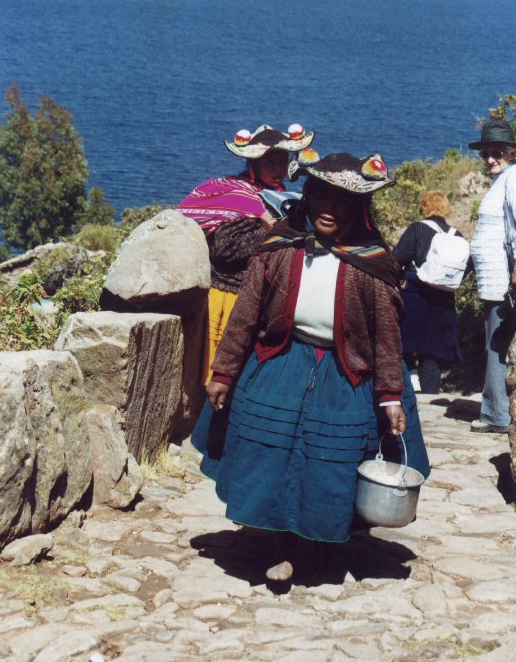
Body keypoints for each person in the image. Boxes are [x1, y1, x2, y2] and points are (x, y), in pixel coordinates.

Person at [192, 151, 430, 582]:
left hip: (345, 374)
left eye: (342, 202)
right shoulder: (281, 247)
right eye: (322, 197)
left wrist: (391, 396)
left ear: (359, 208)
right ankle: (280, 544)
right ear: (308, 196)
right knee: (273, 456)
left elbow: (386, 337)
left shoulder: (372, 262)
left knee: (327, 464)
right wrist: (224, 372)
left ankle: (319, 542)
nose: (329, 210)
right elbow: (246, 314)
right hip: (282, 362)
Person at [179, 124, 314, 381]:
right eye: (270, 162)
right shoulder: (239, 198)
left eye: (282, 161)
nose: (278, 169)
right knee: (217, 379)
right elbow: (225, 250)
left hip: (260, 302)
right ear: (253, 164)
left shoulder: (280, 198)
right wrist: (266, 232)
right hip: (229, 299)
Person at [469, 117, 516, 434]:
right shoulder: (504, 179)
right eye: (485, 153)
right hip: (496, 280)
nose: (489, 159)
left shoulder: (512, 179)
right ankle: (496, 411)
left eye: (496, 152)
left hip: (503, 281)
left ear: (512, 152)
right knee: (496, 343)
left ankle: (496, 415)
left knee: (496, 344)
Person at [392, 191, 465, 395]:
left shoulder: (417, 229)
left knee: (404, 347)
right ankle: (430, 397)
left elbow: (397, 260)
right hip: (442, 302)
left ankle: (408, 392)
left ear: (424, 207)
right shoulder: (456, 235)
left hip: (415, 298)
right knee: (432, 356)